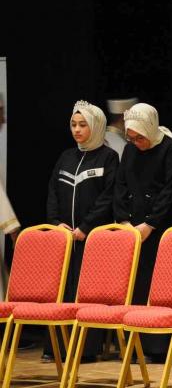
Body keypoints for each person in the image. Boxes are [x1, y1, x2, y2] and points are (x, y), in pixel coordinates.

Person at [46, 100, 119, 362]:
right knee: (63, 291)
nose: (77, 130)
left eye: (82, 125)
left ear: (96, 126)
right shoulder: (66, 156)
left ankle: (86, 349)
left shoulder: (108, 157)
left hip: (93, 240)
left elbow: (108, 197)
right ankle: (57, 347)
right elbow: (53, 192)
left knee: (88, 293)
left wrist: (86, 227)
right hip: (65, 240)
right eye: (73, 125)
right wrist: (56, 223)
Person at [114, 103, 172, 305]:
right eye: (131, 138)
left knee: (155, 284)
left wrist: (150, 223)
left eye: (140, 138)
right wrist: (123, 220)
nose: (136, 143)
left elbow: (170, 189)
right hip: (132, 226)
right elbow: (120, 184)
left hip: (159, 226)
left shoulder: (170, 148)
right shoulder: (129, 149)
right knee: (131, 283)